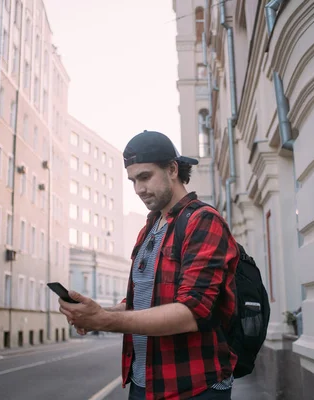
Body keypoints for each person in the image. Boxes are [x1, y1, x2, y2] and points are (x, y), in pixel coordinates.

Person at [59, 130, 239, 399]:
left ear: (172, 169)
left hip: (194, 386)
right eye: (133, 180)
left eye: (145, 177)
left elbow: (191, 312)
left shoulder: (202, 221)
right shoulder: (150, 228)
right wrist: (96, 313)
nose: (138, 189)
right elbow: (143, 300)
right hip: (144, 383)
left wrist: (105, 320)